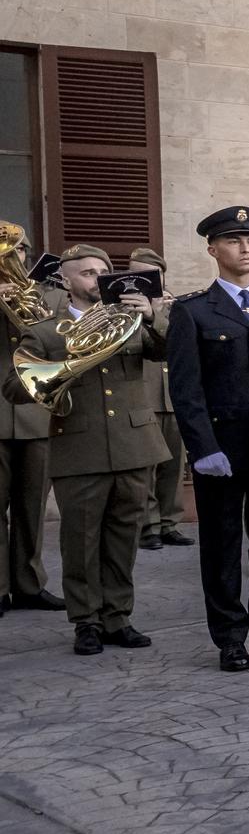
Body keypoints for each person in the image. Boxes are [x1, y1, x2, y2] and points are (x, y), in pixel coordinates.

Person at [5, 244, 171, 655]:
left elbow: (170, 351)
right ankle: (87, 621)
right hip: (79, 447)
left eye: (102, 271)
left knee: (123, 537)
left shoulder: (132, 320)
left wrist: (153, 316)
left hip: (134, 444)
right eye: (86, 273)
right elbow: (13, 384)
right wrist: (59, 368)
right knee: (79, 540)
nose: (97, 278)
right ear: (66, 281)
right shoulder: (46, 331)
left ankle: (119, 616)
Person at [166, 206, 249, 671]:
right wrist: (203, 448)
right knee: (221, 544)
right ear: (212, 249)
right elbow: (185, 389)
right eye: (235, 241)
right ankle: (229, 636)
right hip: (222, 444)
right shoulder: (193, 311)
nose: (245, 248)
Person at [0, 226, 58, 619]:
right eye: (9, 250)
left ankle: (28, 583)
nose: (14, 257)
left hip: (37, 411)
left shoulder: (49, 293)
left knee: (32, 506)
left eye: (21, 250)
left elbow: (59, 340)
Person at [127, 247, 193, 551]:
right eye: (134, 271)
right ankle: (148, 526)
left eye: (148, 273)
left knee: (173, 467)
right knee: (147, 468)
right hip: (144, 395)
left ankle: (170, 523)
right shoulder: (122, 307)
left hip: (173, 396)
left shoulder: (176, 305)